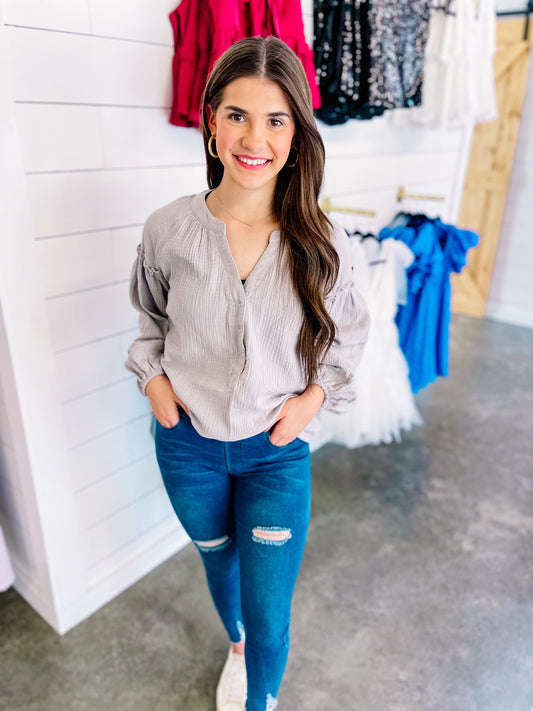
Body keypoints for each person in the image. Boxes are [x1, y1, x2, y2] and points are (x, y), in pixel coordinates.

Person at [126, 35, 369, 711]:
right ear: (209, 121)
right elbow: (148, 320)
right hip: (187, 447)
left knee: (270, 611)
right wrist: (155, 384)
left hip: (273, 456)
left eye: (275, 118)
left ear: (296, 132)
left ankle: (258, 696)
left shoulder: (322, 243)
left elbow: (349, 337)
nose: (253, 137)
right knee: (216, 558)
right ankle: (231, 646)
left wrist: (310, 401)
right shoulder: (168, 229)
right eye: (236, 114)